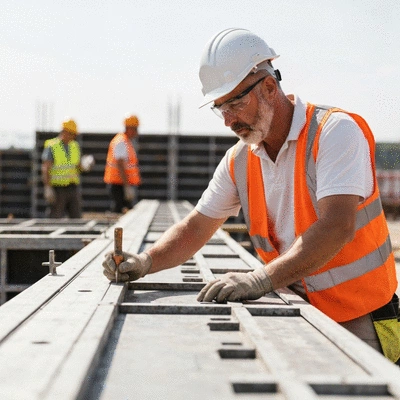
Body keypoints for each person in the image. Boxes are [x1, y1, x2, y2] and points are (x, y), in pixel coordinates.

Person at [103, 28, 400, 364]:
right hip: (295, 309)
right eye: (220, 108)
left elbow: (337, 225)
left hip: (360, 318)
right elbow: (196, 227)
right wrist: (146, 262)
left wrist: (260, 279)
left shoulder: (335, 132)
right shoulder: (240, 160)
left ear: (269, 88)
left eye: (236, 103)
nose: (229, 120)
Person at [41, 118, 94, 218]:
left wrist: (85, 165)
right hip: (58, 189)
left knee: (76, 217)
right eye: (72, 133)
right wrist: (48, 187)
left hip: (72, 187)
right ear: (65, 132)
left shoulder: (74, 146)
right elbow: (46, 168)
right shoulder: (52, 146)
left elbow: (77, 166)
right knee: (55, 218)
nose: (73, 136)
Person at [103, 115, 141, 213]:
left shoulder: (125, 141)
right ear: (129, 128)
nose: (137, 132)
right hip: (118, 184)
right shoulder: (121, 142)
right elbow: (120, 164)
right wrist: (126, 187)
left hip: (121, 183)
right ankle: (116, 228)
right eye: (136, 129)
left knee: (124, 210)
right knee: (119, 210)